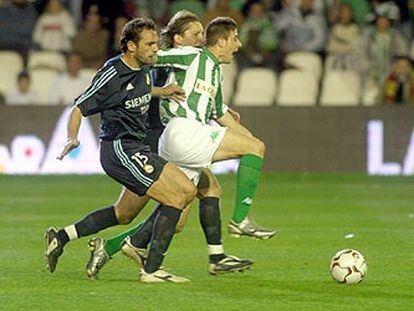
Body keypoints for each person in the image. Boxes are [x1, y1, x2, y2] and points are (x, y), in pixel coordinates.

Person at [86, 11, 253, 280]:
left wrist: (221, 108)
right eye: (196, 34)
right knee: (159, 208)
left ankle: (118, 246)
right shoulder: (167, 62)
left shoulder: (193, 64)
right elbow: (135, 73)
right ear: (178, 40)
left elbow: (199, 97)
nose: (202, 39)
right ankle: (212, 257)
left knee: (187, 207)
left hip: (174, 138)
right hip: (160, 139)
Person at [45, 17, 199, 283]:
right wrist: (72, 137)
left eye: (156, 43)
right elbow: (79, 107)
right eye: (150, 44)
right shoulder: (112, 73)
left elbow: (136, 90)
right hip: (119, 148)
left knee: (124, 214)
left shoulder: (142, 66)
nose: (155, 49)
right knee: (181, 194)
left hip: (136, 146)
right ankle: (151, 269)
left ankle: (61, 237)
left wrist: (161, 91)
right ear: (130, 46)